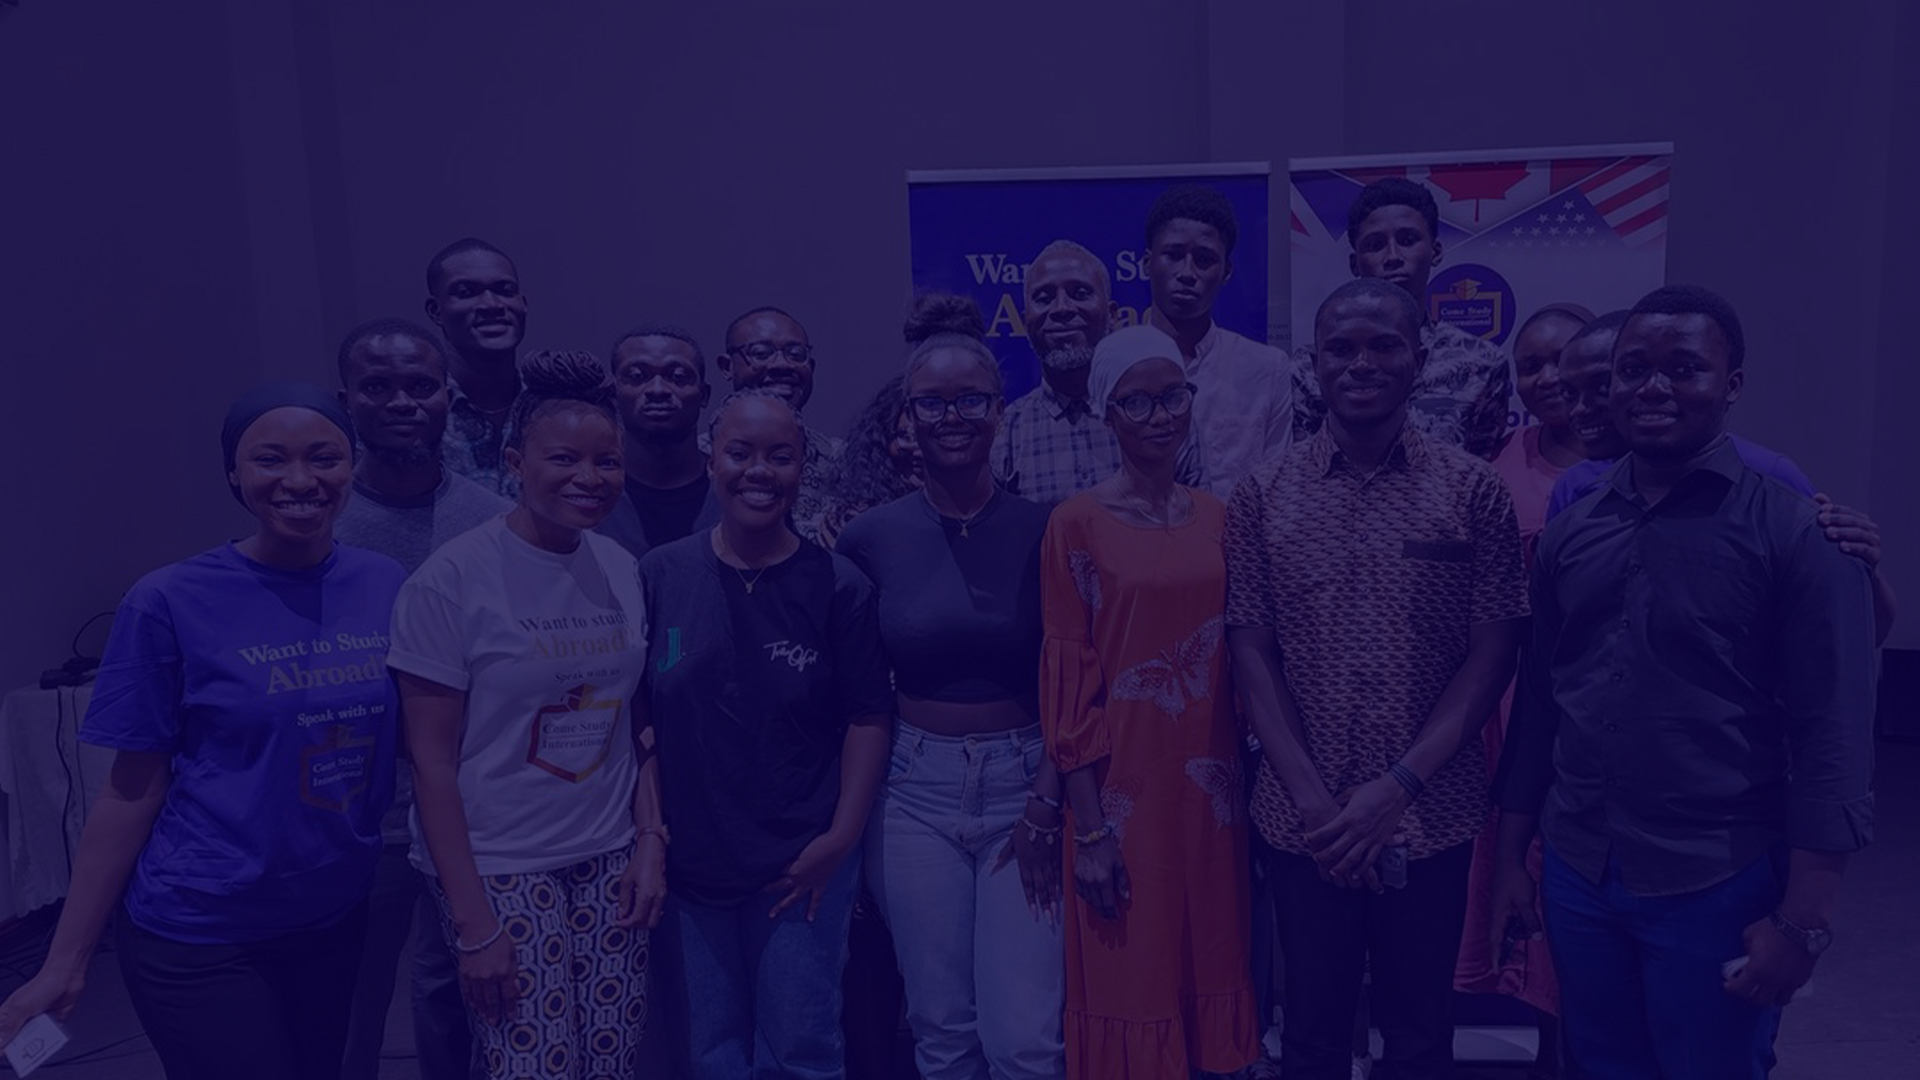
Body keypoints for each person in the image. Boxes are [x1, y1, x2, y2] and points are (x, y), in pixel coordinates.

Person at [1491, 285, 1879, 1080]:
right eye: (1634, 368)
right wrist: (1508, 857)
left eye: (1683, 368)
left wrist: (1805, 918)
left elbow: (1833, 735)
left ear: (1731, 383)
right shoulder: (1572, 532)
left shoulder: (1797, 533)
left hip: (1716, 875)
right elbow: (1540, 705)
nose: (1654, 387)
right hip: (1579, 869)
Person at [0, 384, 403, 1080]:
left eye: (323, 458)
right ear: (234, 474)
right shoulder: (169, 599)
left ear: (352, 468)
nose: (300, 480)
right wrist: (64, 962)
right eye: (270, 459)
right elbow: (129, 792)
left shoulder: (385, 583)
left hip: (332, 917)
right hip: (201, 929)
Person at [1227, 279, 1528, 1080]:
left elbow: (1494, 649)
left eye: (1382, 345)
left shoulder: (1473, 490)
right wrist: (1315, 803)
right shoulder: (1262, 495)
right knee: (1311, 1035)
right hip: (1306, 823)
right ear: (1314, 364)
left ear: (1419, 360)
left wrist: (1395, 788)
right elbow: (1251, 649)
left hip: (1430, 814)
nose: (1361, 363)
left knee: (1421, 1035)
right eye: (1341, 348)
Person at [388, 352, 663, 1080]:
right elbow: (430, 763)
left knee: (609, 1063)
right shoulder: (450, 581)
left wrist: (649, 838)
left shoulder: (620, 567)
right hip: (501, 864)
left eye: (606, 461)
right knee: (533, 1065)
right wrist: (473, 921)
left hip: (607, 855)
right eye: (564, 459)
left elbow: (635, 721)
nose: (588, 477)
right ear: (515, 463)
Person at [641, 389, 893, 1080]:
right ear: (710, 459)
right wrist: (652, 835)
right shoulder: (662, 574)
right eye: (740, 453)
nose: (759, 471)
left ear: (802, 468)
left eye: (780, 456)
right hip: (692, 867)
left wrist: (838, 841)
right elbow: (641, 721)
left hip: (801, 863)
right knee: (710, 1055)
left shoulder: (839, 586)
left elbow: (868, 716)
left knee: (799, 1053)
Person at [838, 333, 1066, 1080]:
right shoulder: (869, 538)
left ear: (999, 411)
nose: (952, 417)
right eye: (932, 403)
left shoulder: (1047, 530)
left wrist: (1048, 798)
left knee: (1024, 1042)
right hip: (913, 796)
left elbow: (1074, 679)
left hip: (1025, 788)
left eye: (970, 399)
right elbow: (854, 686)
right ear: (908, 419)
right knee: (942, 1033)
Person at [1041, 325, 1260, 1079]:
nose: (1160, 415)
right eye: (1138, 401)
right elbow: (1070, 683)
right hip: (1121, 800)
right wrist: (1091, 832)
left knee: (1212, 968)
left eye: (1173, 396)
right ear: (1108, 413)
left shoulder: (1220, 517)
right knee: (1131, 980)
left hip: (1212, 795)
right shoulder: (1076, 523)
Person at [332, 318, 507, 1080]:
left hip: (465, 809)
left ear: (448, 397)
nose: (401, 402)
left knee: (452, 995)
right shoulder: (319, 516)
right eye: (378, 386)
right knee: (350, 1008)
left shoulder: (493, 520)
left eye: (420, 386)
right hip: (352, 812)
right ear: (348, 400)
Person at [1550, 312, 1898, 640]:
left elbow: (1852, 627)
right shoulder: (1577, 488)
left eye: (1600, 386)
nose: (1581, 409)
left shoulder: (1766, 474)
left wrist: (1861, 568)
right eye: (1633, 372)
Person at [1292, 178, 1515, 461]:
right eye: (1375, 245)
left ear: (1435, 251)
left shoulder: (1481, 365)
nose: (1393, 257)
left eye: (1407, 241)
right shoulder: (1310, 371)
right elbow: (1303, 470)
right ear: (1354, 263)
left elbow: (1481, 471)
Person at [1140, 186, 1292, 497]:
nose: (1187, 272)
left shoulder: (1267, 369)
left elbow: (1279, 491)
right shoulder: (1113, 367)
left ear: (1226, 271)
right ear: (1147, 263)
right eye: (1173, 255)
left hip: (1234, 529)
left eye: (1204, 259)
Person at [711, 306, 843, 541]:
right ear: (727, 366)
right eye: (761, 353)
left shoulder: (843, 459)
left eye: (796, 354)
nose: (782, 364)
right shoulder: (700, 457)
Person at [598, 322, 721, 561]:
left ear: (704, 395)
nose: (657, 389)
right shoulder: (589, 491)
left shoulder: (736, 492)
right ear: (613, 393)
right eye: (637, 376)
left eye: (678, 377)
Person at [424, 237, 530, 498]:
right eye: (466, 292)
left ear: (524, 304)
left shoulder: (552, 406)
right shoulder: (415, 415)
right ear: (436, 311)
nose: (491, 305)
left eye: (505, 290)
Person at [814, 374, 922, 550]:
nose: (920, 451)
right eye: (906, 437)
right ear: (882, 441)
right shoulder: (850, 521)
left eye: (928, 437)